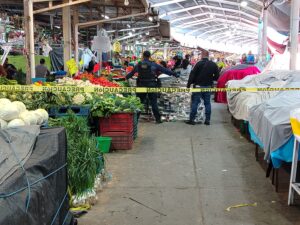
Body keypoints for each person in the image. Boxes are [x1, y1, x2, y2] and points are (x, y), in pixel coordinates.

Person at [126, 51, 178, 124]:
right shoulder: (153, 64)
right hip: (152, 85)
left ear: (143, 56)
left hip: (141, 85)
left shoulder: (139, 64)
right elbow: (164, 70)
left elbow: (131, 73)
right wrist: (174, 73)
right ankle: (158, 119)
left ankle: (135, 120)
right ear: (150, 56)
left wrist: (125, 77)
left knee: (139, 103)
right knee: (154, 102)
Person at [185, 50, 219, 126]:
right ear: (208, 55)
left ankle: (192, 120)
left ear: (202, 55)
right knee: (207, 103)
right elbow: (217, 77)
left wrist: (188, 85)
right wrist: (210, 78)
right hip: (208, 86)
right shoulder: (213, 65)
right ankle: (207, 120)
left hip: (198, 86)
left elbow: (192, 75)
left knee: (195, 103)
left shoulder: (198, 64)